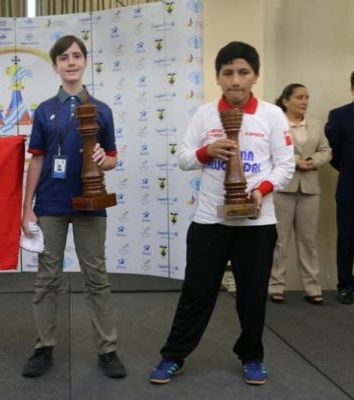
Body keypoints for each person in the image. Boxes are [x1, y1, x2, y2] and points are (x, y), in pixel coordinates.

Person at [149, 41, 294, 386]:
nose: (236, 80)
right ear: (217, 77)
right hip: (210, 221)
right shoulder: (204, 114)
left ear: (255, 76)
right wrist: (206, 151)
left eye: (243, 72)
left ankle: (252, 356)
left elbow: (285, 166)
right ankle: (173, 355)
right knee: (196, 294)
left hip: (256, 223)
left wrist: (261, 191)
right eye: (228, 73)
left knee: (252, 297)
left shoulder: (272, 115)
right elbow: (184, 158)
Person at [21, 35, 126, 379]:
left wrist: (103, 160)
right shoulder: (44, 111)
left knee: (96, 278)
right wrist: (27, 207)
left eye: (77, 56)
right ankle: (43, 347)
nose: (71, 62)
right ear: (55, 66)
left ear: (85, 62)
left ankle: (107, 350)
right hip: (50, 203)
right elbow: (37, 160)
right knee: (47, 279)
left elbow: (112, 158)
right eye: (64, 57)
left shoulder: (102, 110)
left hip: (90, 204)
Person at [268, 84, 331, 305]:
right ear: (286, 101)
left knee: (308, 240)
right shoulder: (276, 123)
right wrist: (296, 162)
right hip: (283, 187)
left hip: (310, 189)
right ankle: (276, 286)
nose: (304, 101)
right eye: (299, 97)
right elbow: (271, 150)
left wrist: (312, 161)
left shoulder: (316, 125)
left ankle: (312, 287)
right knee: (280, 240)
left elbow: (326, 151)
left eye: (307, 97)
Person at [324, 71, 354, 305]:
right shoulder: (339, 116)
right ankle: (345, 285)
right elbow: (332, 153)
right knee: (346, 239)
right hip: (349, 187)